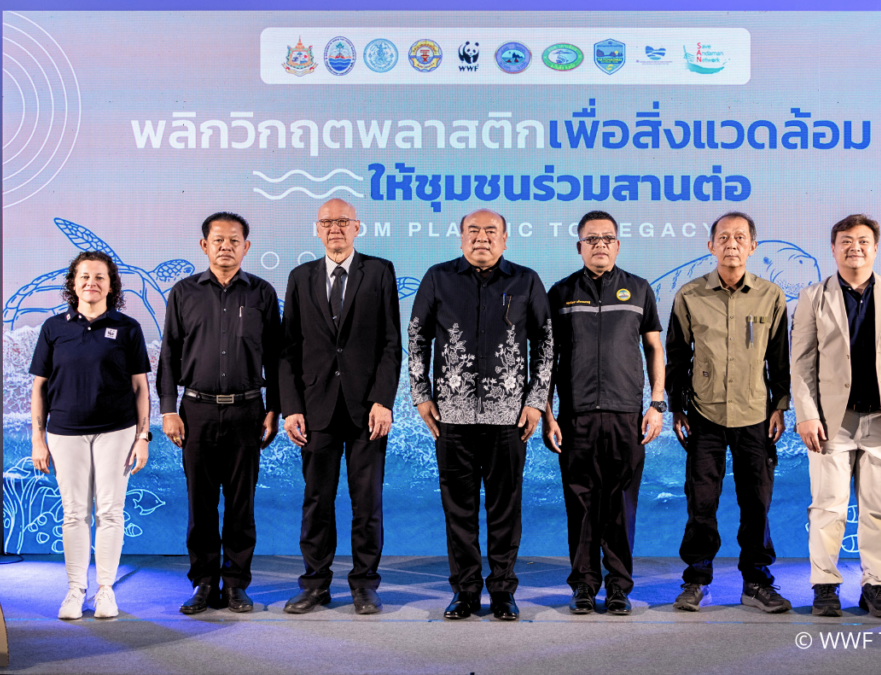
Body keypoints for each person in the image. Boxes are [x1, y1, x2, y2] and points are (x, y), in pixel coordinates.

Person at [408, 209, 553, 621]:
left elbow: (545, 344)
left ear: (505, 239)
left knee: (505, 509)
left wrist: (535, 401)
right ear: (461, 238)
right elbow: (417, 337)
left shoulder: (525, 280)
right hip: (451, 416)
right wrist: (421, 394)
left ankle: (503, 591)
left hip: (510, 418)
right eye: (473, 231)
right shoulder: (438, 278)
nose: (482, 238)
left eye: (491, 231)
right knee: (459, 510)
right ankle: (465, 591)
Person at [792, 214, 881, 618]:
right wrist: (806, 415)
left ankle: (876, 587)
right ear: (833, 248)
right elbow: (801, 362)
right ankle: (824, 586)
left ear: (875, 248)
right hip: (831, 423)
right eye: (846, 241)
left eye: (863, 241)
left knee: (878, 511)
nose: (855, 247)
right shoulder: (813, 297)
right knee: (828, 507)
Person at [665, 211, 792, 613]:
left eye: (739, 237)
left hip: (755, 415)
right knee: (701, 504)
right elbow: (676, 357)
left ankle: (756, 582)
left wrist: (780, 406)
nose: (731, 244)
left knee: (756, 504)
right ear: (711, 246)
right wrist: (676, 407)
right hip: (704, 417)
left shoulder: (770, 295)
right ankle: (696, 580)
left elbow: (779, 359)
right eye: (723, 237)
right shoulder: (690, 295)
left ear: (753, 246)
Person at [279, 199, 401, 615]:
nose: (335, 228)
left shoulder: (379, 272)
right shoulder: (300, 277)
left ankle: (365, 584)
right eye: (328, 222)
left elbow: (391, 343)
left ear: (357, 227)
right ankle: (315, 584)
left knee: (367, 502)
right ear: (317, 229)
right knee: (317, 500)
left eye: (343, 221)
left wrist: (383, 400)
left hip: (368, 409)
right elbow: (288, 349)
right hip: (316, 409)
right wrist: (291, 407)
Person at [542, 210, 666, 616]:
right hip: (575, 417)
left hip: (626, 416)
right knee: (579, 505)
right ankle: (583, 585)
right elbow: (547, 358)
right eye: (591, 239)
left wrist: (657, 404)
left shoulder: (639, 289)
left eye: (607, 238)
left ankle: (618, 588)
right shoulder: (560, 293)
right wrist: (547, 413)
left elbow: (654, 349)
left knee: (620, 506)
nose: (600, 245)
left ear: (618, 245)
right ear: (579, 246)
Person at [157, 212, 281, 614]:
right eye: (218, 240)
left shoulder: (262, 293)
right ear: (204, 246)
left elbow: (276, 356)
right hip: (196, 411)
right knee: (201, 504)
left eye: (234, 241)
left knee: (242, 505)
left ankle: (236, 585)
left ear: (246, 247)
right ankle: (204, 583)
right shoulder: (184, 292)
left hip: (248, 411)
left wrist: (275, 408)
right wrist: (168, 409)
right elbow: (169, 354)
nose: (226, 247)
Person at [30, 251, 152, 620]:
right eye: (84, 276)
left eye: (100, 277)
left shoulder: (128, 328)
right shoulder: (53, 328)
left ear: (111, 285)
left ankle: (105, 591)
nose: (91, 283)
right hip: (64, 432)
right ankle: (75, 590)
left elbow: (140, 387)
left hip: (117, 431)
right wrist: (38, 439)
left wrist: (142, 436)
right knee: (74, 514)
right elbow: (39, 388)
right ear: (73, 283)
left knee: (110, 512)